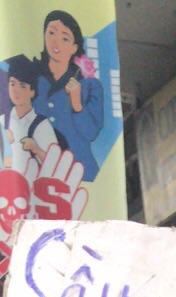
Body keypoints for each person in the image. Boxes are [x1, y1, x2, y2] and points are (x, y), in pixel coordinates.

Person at [33, 10, 102, 183]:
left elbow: (91, 133)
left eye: (65, 38)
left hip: (79, 175)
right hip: (36, 175)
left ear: (74, 47)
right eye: (51, 33)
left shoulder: (89, 85)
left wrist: (77, 104)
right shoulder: (32, 80)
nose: (56, 41)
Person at [1, 54, 60, 179]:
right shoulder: (3, 121)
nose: (16, 90)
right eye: (12, 84)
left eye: (22, 85)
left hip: (33, 191)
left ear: (32, 91)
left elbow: (57, 167)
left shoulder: (41, 125)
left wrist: (36, 149)